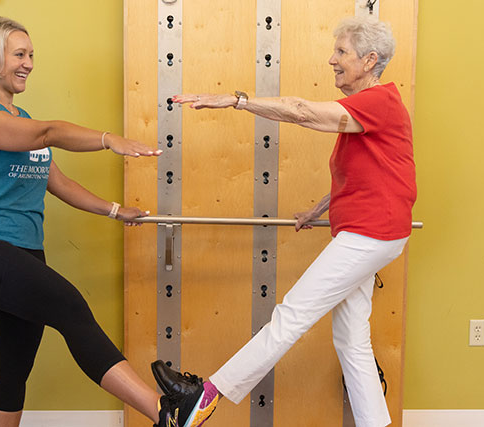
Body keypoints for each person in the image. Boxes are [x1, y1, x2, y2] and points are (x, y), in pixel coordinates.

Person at [152, 16, 415, 427]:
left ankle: (204, 398)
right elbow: (375, 174)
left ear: (369, 60)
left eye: (341, 52)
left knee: (291, 315)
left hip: (370, 235)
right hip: (371, 233)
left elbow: (301, 112)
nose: (332, 59)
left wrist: (236, 100)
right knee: (352, 340)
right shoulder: (371, 109)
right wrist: (319, 209)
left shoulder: (378, 102)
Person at [0, 17, 207, 427]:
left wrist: (114, 210)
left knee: (14, 369)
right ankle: (164, 409)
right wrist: (108, 139)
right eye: (20, 54)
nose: (29, 63)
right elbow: (46, 134)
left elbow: (58, 182)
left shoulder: (23, 118)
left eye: (31, 55)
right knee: (71, 306)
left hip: (24, 251)